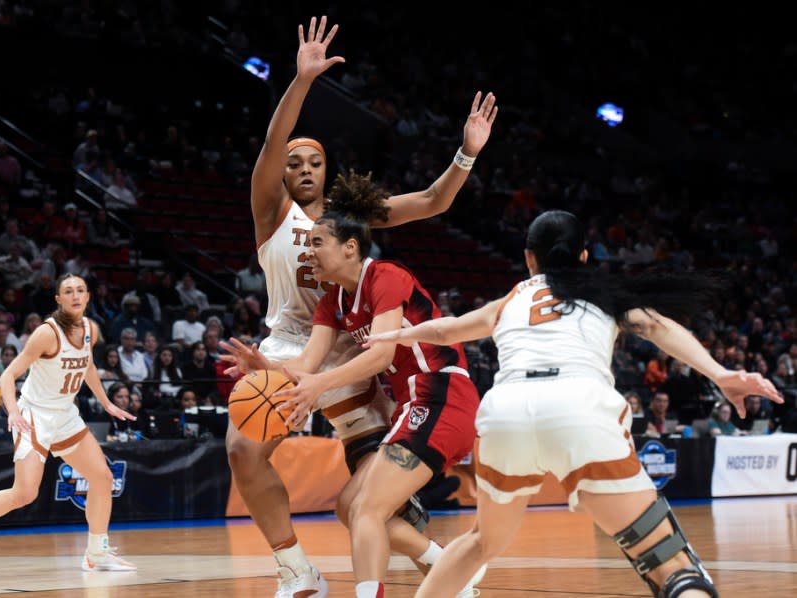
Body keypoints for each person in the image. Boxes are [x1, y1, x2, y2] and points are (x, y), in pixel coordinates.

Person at [364, 210, 784, 598]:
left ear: (529, 258)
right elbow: (657, 326)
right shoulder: (603, 290)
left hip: (505, 413)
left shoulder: (512, 298)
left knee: (481, 541)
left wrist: (397, 335)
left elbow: (449, 329)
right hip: (578, 407)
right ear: (583, 256)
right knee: (667, 560)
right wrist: (721, 374)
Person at [226, 15, 497, 598]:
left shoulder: (350, 219)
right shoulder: (270, 211)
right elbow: (275, 142)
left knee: (365, 496)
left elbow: (432, 200)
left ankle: (434, 559)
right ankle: (297, 569)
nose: (300, 169)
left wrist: (466, 154)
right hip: (292, 344)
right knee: (242, 450)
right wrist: (301, 82)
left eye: (313, 162)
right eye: (294, 163)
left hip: (354, 346)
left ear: (328, 171)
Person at [223, 172, 486, 598]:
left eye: (316, 244)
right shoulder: (333, 303)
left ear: (349, 247)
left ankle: (440, 573)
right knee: (349, 507)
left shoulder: (386, 276)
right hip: (411, 403)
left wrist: (317, 384)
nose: (308, 252)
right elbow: (307, 364)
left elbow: (380, 355)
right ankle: (449, 569)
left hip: (440, 393)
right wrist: (264, 367)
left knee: (365, 508)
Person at [0, 273, 138, 571]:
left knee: (103, 477)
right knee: (25, 493)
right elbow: (7, 376)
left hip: (65, 414)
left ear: (89, 296)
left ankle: (96, 553)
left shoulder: (90, 328)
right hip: (35, 414)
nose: (75, 295)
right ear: (58, 299)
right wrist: (13, 412)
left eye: (80, 290)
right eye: (68, 291)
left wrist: (106, 403)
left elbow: (87, 364)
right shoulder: (47, 333)